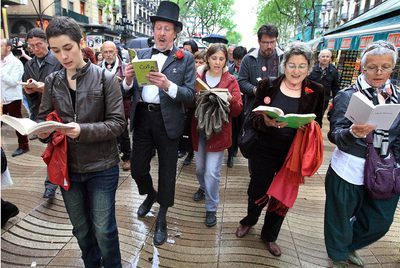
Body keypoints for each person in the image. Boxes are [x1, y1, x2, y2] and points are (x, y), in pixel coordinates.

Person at [37, 17, 125, 267]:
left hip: (102, 167)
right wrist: (42, 130)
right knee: (81, 229)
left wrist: (81, 130)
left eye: (68, 48)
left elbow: (118, 124)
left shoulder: (105, 79)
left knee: (104, 230)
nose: (63, 56)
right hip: (68, 168)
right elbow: (44, 116)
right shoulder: (53, 81)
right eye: (56, 51)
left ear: (81, 43)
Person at [235, 42, 324, 257]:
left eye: (302, 66)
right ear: (284, 65)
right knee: (258, 189)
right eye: (292, 65)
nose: (296, 71)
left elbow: (318, 123)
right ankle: (250, 220)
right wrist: (266, 121)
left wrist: (308, 126)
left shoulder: (316, 91)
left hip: (293, 152)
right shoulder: (268, 85)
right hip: (264, 148)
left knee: (282, 197)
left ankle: (270, 235)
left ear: (309, 67)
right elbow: (252, 116)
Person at [123, 1, 195, 246]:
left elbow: (190, 95)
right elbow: (128, 92)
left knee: (167, 172)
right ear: (152, 31)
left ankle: (162, 215)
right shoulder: (141, 55)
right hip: (143, 118)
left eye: (167, 29)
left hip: (169, 123)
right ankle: (150, 194)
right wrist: (127, 80)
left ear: (175, 33)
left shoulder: (185, 58)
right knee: (137, 168)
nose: (162, 33)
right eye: (158, 28)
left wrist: (168, 86)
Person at [324, 40, 400, 268]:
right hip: (349, 167)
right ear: (362, 68)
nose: (379, 72)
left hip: (385, 169)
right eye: (372, 67)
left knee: (380, 220)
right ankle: (338, 256)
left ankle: (348, 245)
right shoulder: (347, 96)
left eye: (385, 66)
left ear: (392, 68)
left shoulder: (398, 96)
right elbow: (335, 134)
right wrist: (352, 132)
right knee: (339, 217)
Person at [191, 43, 242, 226]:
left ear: (226, 60)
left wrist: (229, 99)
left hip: (219, 132)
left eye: (221, 59)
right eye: (214, 58)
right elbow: (188, 101)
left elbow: (237, 110)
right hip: (199, 129)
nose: (217, 62)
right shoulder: (198, 76)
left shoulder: (231, 80)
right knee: (200, 169)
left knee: (212, 172)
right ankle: (204, 188)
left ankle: (211, 208)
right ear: (207, 59)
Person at [22, 28, 62, 199]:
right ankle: (53, 181)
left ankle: (52, 183)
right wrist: (29, 90)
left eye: (39, 44)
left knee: (56, 147)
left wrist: (43, 87)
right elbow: (26, 86)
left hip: (60, 111)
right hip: (41, 111)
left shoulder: (58, 60)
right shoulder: (29, 64)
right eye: (32, 46)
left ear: (46, 42)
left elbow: (65, 87)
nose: (36, 48)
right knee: (52, 146)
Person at [238, 24, 283, 118]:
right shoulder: (248, 59)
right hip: (253, 110)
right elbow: (241, 81)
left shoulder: (283, 58)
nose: (270, 46)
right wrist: (255, 90)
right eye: (265, 42)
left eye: (272, 42)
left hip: (278, 109)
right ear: (259, 41)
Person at [100, 41, 131, 171]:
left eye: (111, 51)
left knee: (123, 133)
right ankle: (108, 157)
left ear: (116, 52)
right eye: (105, 52)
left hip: (121, 106)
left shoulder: (125, 67)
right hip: (101, 107)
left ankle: (127, 158)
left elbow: (130, 90)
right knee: (104, 133)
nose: (108, 54)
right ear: (101, 53)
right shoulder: (96, 68)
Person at [1, 38, 29, 157]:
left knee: (17, 123)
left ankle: (23, 146)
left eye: (0, 46)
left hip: (12, 98)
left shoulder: (16, 63)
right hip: (1, 98)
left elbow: (13, 82)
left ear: (8, 48)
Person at [227, 46, 247, 167]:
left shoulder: (248, 70)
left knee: (241, 129)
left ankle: (239, 148)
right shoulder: (229, 71)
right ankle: (231, 153)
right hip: (233, 105)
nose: (239, 62)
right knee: (232, 130)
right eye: (236, 59)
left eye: (241, 59)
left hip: (245, 104)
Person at [308, 49, 340, 113]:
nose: (325, 58)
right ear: (319, 58)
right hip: (310, 98)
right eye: (323, 56)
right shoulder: (311, 68)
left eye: (327, 57)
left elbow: (335, 87)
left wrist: (336, 101)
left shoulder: (334, 71)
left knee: (319, 116)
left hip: (324, 99)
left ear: (330, 59)